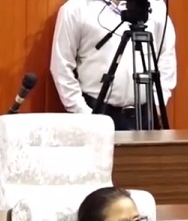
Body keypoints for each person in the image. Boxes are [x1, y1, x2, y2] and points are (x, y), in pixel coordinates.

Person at [49, 0, 177, 130]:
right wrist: (84, 114)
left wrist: (157, 104)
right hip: (96, 114)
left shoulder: (155, 6)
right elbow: (61, 66)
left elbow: (166, 56)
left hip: (147, 116)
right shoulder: (76, 8)